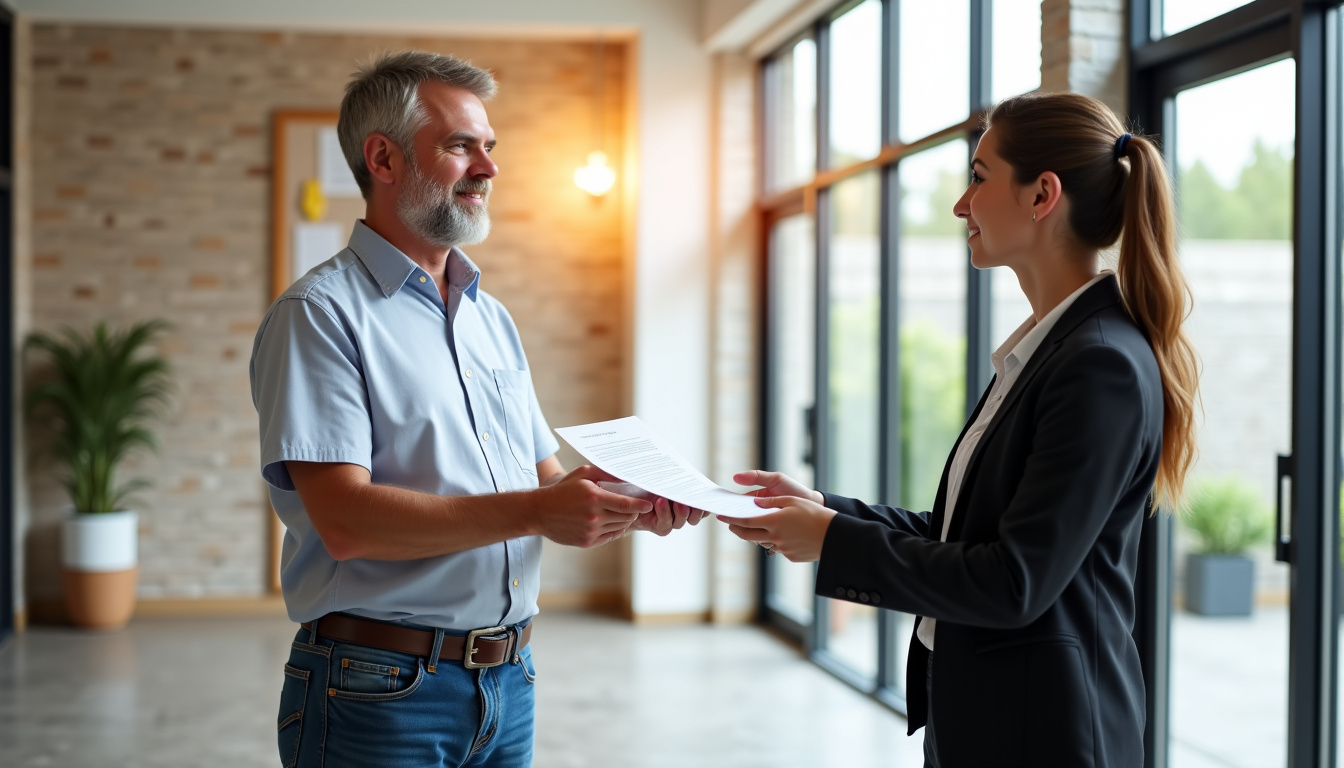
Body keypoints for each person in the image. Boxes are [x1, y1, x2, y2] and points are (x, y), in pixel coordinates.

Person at [250, 51, 702, 768]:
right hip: (376, 692)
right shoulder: (321, 315)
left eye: (489, 146)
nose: (489, 168)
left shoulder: (490, 319)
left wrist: (622, 500)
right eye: (462, 145)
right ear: (384, 159)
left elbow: (543, 484)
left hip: (508, 681)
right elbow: (343, 520)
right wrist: (535, 511)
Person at [722, 91, 1198, 768]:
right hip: (994, 721)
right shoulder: (1047, 351)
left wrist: (831, 539)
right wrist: (821, 511)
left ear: (1042, 195)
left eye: (978, 177)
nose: (960, 204)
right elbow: (969, 539)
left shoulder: (1099, 365)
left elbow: (1012, 581)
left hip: (1045, 737)